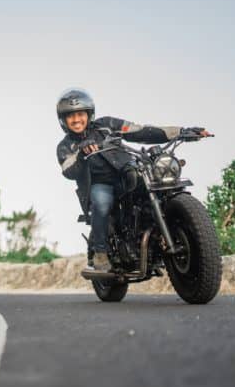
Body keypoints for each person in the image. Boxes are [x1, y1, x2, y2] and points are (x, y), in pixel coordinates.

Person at [55, 88, 211, 273]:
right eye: (70, 116)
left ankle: (162, 233)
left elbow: (141, 131)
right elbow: (68, 169)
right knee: (101, 202)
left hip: (127, 172)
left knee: (158, 185)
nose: (76, 120)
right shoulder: (65, 146)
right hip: (100, 184)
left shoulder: (107, 125)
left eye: (80, 114)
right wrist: (81, 152)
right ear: (63, 120)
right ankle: (101, 253)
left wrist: (181, 131)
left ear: (89, 114)